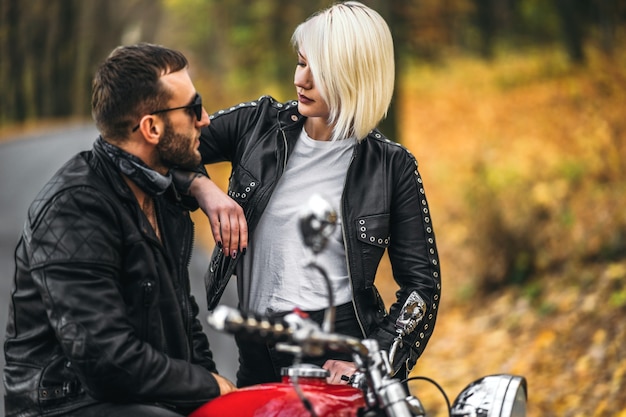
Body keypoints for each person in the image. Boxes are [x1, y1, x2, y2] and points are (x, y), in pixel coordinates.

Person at [191, 1, 442, 387]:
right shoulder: (256, 125)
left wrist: (371, 360)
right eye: (300, 62)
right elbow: (171, 147)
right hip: (256, 353)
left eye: (317, 70)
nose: (300, 80)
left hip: (336, 355)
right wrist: (203, 188)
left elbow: (421, 287)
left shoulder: (392, 167)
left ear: (354, 75)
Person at [3, 43, 237, 417]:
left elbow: (182, 322)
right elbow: (105, 360)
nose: (205, 119)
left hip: (134, 398)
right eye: (194, 108)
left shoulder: (161, 192)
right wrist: (208, 385)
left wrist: (215, 390)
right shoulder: (75, 208)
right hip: (65, 404)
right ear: (151, 127)